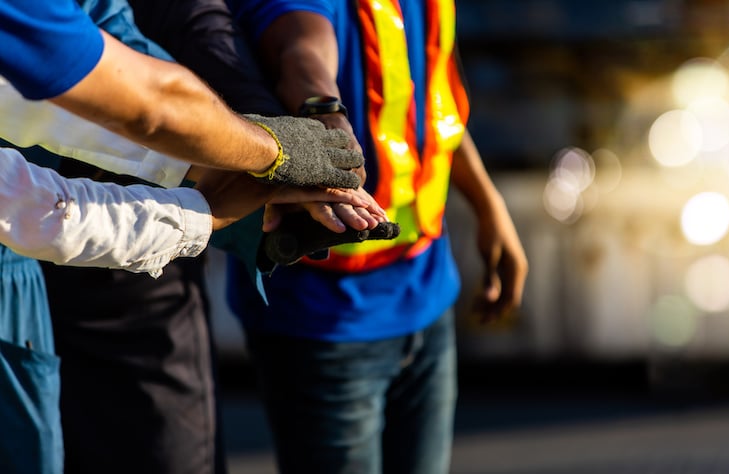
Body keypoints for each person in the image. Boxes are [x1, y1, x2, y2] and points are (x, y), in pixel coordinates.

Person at [0, 0, 378, 472]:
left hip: (78, 239)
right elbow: (37, 203)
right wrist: (241, 176)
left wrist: (247, 156)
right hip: (76, 246)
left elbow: (90, 75)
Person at [226, 1, 529, 472]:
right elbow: (299, 47)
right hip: (327, 323)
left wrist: (487, 202)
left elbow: (429, 99)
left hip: (426, 293)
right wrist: (323, 113)